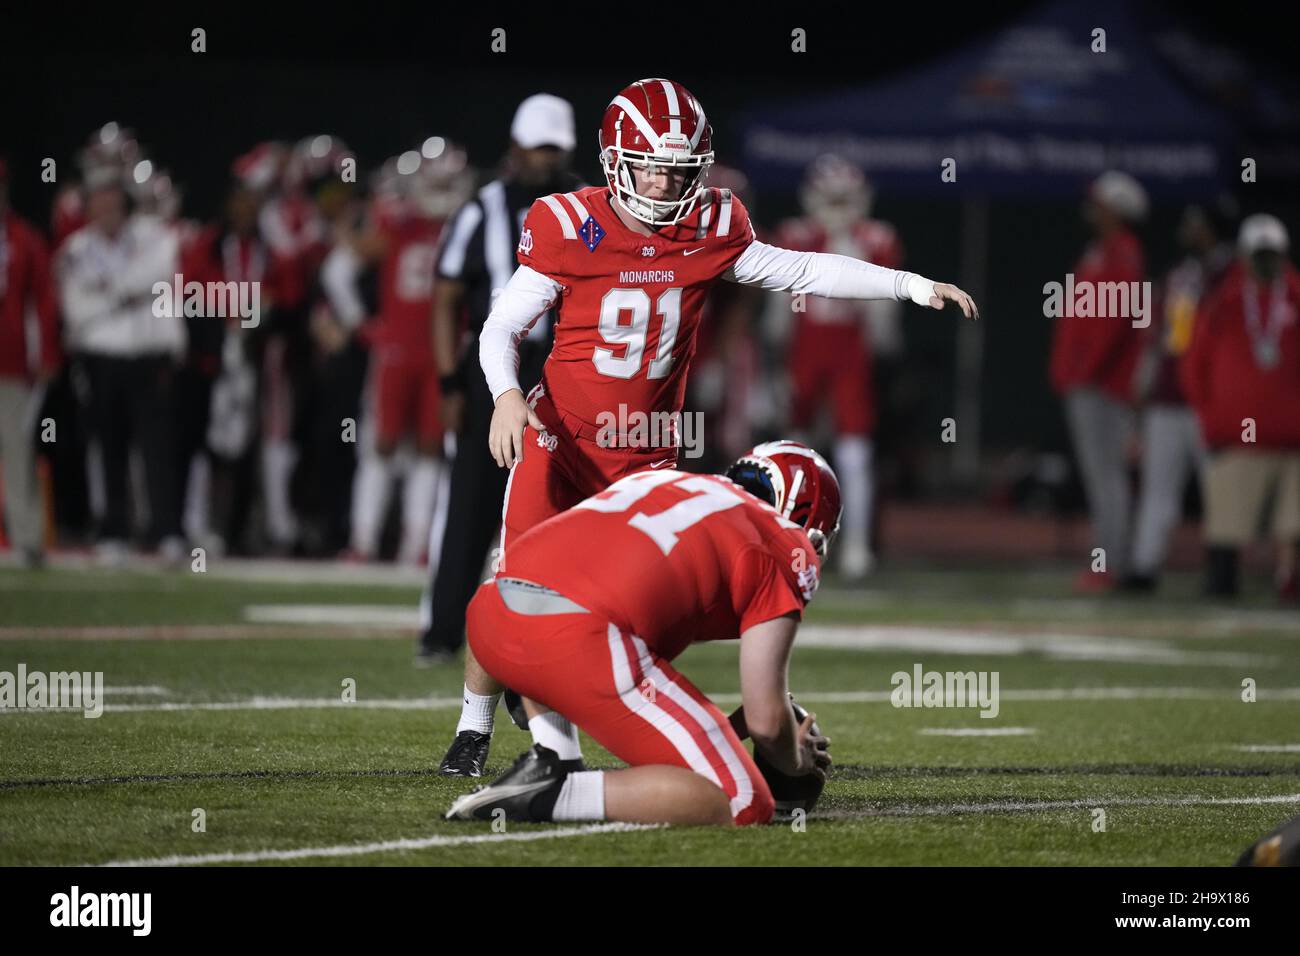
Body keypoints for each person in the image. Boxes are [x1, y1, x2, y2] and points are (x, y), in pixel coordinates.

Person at [439, 77, 977, 777]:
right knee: (516, 587)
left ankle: (563, 748)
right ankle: (476, 724)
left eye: (678, 168)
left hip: (645, 461)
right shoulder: (571, 224)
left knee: (626, 612)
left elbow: (802, 269)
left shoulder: (712, 226)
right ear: (614, 160)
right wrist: (506, 397)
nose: (664, 183)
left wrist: (907, 284)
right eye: (651, 166)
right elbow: (501, 327)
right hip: (560, 441)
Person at [447, 440, 837, 826]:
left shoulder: (665, 485)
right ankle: (559, 793)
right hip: (573, 637)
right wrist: (793, 757)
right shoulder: (784, 544)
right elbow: (769, 722)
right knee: (745, 800)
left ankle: (553, 756)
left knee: (591, 614)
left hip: (492, 616)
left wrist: (731, 728)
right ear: (810, 525)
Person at [418, 96, 581, 663]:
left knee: (560, 502)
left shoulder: (585, 206)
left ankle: (556, 630)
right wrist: (448, 383)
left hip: (561, 363)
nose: (548, 157)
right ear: (515, 146)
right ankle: (441, 632)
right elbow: (445, 298)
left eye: (555, 147)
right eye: (539, 146)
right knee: (469, 501)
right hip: (494, 361)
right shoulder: (481, 208)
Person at [773, 155, 906, 579]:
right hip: (806, 349)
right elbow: (779, 309)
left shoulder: (877, 238)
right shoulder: (795, 235)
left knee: (855, 451)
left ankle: (856, 546)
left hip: (851, 350)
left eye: (844, 198)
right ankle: (789, 537)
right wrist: (773, 360)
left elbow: (885, 313)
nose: (837, 207)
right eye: (831, 198)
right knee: (795, 449)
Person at [344, 142, 472, 563]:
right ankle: (364, 539)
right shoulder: (400, 224)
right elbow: (348, 261)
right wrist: (360, 323)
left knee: (430, 446)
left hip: (439, 352)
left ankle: (416, 543)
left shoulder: (465, 227)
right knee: (383, 443)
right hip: (400, 350)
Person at [56, 155, 185, 562]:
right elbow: (77, 310)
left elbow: (165, 268)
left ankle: (165, 530)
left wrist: (110, 291)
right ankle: (113, 530)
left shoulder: (152, 235)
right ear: (89, 206)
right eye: (99, 201)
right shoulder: (77, 249)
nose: (107, 209)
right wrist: (129, 293)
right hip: (101, 358)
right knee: (108, 447)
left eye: (113, 201)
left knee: (157, 449)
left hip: (147, 357)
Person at [1181, 213, 1300, 600]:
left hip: (1293, 440)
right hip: (1236, 437)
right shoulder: (1224, 302)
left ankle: (1288, 578)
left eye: (1272, 255)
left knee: (1294, 520)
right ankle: (1222, 584)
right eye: (1259, 255)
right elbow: (1194, 364)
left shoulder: (1296, 297)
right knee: (1227, 522)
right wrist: (1212, 418)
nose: (1266, 264)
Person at [1123, 198, 1237, 591]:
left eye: (1196, 223)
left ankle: (1223, 571)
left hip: (1212, 401)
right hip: (1170, 396)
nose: (1188, 230)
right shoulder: (1182, 274)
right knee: (1159, 489)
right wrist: (1145, 380)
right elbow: (1161, 337)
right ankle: (1144, 567)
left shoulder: (1233, 275)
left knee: (1219, 488)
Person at [1049, 170, 1148, 591]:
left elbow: (1115, 323)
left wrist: (1083, 373)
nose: (1093, 211)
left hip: (1105, 387)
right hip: (1091, 383)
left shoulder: (1123, 253)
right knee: (1101, 477)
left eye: (1101, 205)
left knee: (1106, 477)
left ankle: (1111, 563)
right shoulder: (1102, 251)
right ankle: (1110, 561)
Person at [0, 157, 61, 566]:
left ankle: (28, 536)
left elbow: (42, 300)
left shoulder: (24, 238)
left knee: (17, 449)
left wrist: (46, 354)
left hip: (11, 363)